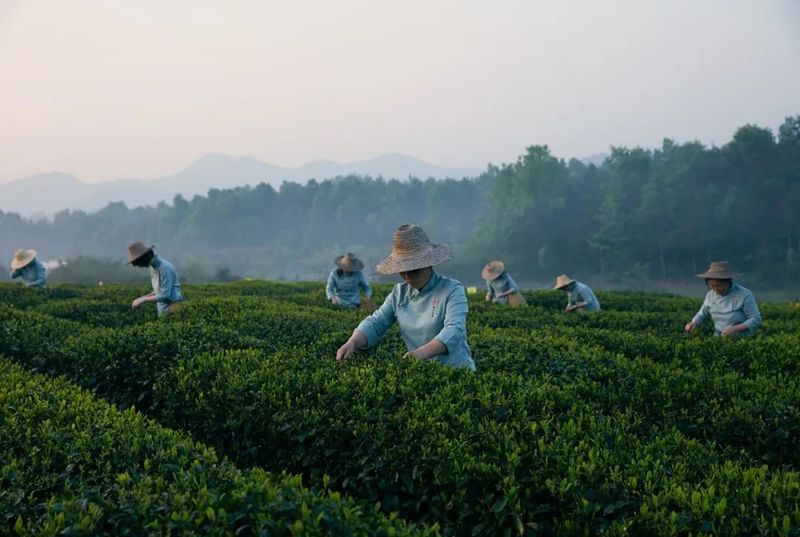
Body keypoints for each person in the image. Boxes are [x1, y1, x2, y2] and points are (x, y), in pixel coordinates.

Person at [335, 224, 475, 371]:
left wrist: (419, 354)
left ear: (428, 264)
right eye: (402, 271)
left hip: (456, 372)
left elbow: (454, 330)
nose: (407, 276)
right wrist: (353, 342)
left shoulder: (452, 289)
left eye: (413, 270)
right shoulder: (399, 293)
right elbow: (377, 322)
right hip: (421, 371)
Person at [684, 261, 762, 337]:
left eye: (718, 285)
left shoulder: (744, 294)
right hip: (719, 337)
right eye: (712, 286)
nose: (715, 289)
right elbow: (702, 314)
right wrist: (692, 324)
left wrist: (735, 329)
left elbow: (756, 319)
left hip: (741, 338)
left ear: (728, 281)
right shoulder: (710, 295)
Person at [127, 241, 184, 317]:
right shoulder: (153, 268)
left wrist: (143, 300)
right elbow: (158, 291)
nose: (138, 266)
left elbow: (165, 295)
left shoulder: (165, 268)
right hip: (163, 310)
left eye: (137, 262)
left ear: (143, 258)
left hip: (173, 309)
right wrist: (143, 297)